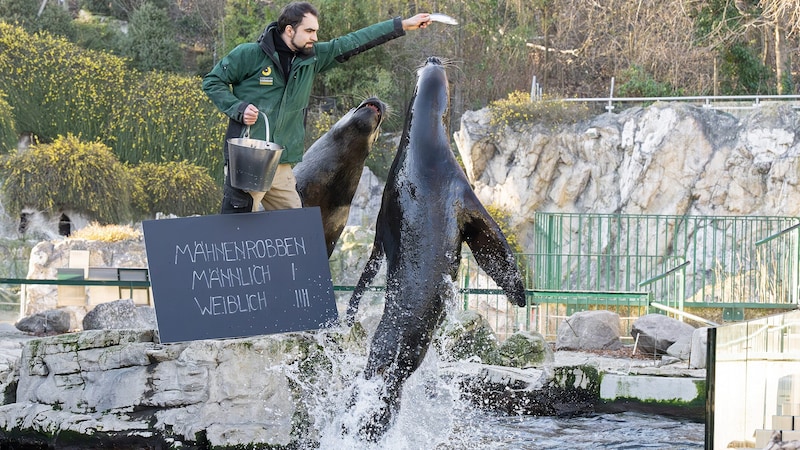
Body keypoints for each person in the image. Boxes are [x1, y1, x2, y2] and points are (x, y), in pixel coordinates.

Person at [202, 2, 432, 214]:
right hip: (248, 160)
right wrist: (238, 108)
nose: (315, 36)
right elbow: (212, 81)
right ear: (290, 30)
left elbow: (354, 41)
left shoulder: (312, 59)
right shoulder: (249, 55)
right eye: (309, 31)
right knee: (237, 233)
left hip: (280, 163)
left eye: (316, 31)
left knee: (296, 232)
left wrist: (401, 25)